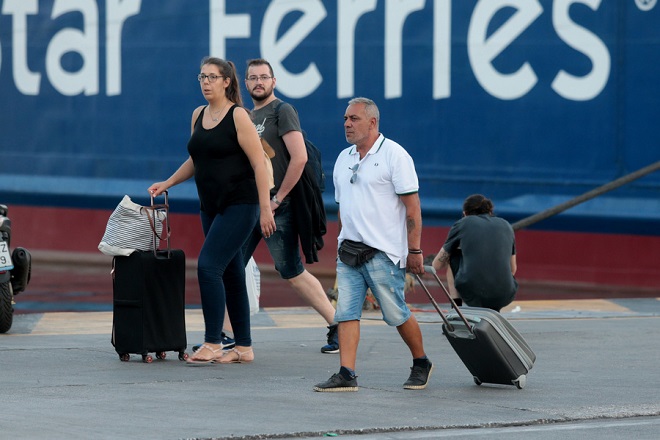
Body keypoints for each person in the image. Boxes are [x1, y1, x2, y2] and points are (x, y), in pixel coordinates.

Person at [148, 57, 275, 364]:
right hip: (211, 205)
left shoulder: (239, 117)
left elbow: (259, 163)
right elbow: (197, 158)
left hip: (241, 204)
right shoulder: (198, 115)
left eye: (212, 77)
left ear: (227, 82)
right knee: (231, 272)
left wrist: (265, 209)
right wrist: (169, 182)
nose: (205, 82)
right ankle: (243, 347)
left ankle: (213, 342)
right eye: (202, 77)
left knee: (207, 267)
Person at [314, 97, 433, 392]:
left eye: (354, 119)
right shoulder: (344, 158)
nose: (346, 124)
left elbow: (413, 208)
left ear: (372, 122)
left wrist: (414, 251)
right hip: (350, 252)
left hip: (383, 252)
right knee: (346, 313)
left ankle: (421, 362)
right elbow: (344, 207)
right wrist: (340, 243)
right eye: (345, 118)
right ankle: (346, 373)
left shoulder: (395, 155)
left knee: (395, 314)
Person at [241, 58, 339, 353]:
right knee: (230, 264)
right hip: (252, 204)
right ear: (245, 83)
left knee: (291, 271)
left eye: (264, 77)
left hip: (277, 205)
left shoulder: (282, 111)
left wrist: (276, 200)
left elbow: (299, 158)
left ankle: (337, 324)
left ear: (274, 81)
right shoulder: (245, 116)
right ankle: (227, 333)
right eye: (253, 78)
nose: (258, 82)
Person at [432, 194, 518, 312]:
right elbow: (512, 269)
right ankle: (494, 310)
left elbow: (436, 265)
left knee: (453, 256)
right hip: (506, 295)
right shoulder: (506, 225)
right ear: (490, 211)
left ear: (465, 213)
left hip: (474, 294)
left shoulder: (463, 223)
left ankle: (457, 310)